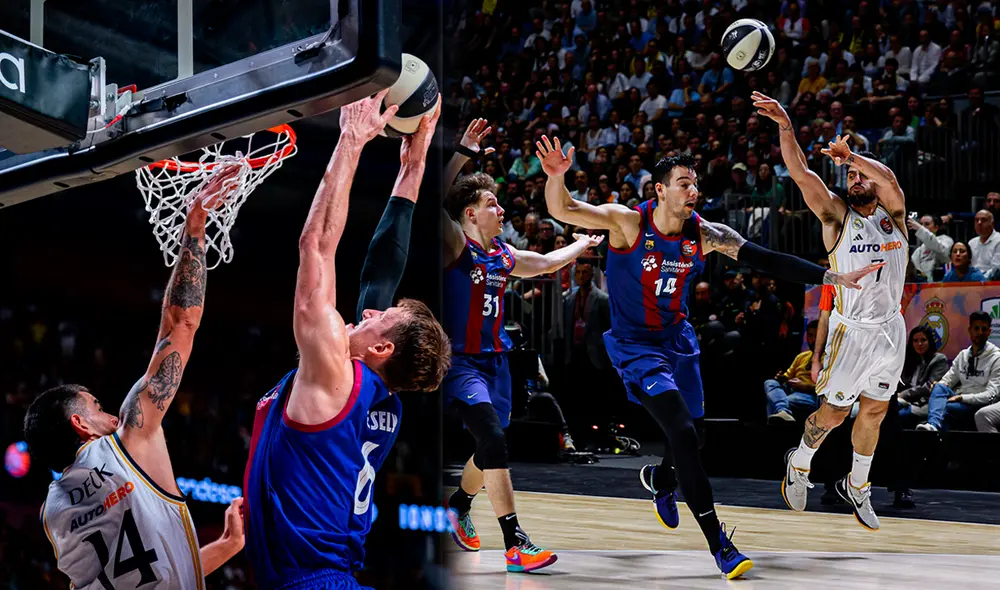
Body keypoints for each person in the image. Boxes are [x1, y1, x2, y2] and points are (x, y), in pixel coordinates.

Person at [534, 135, 879, 579]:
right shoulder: (627, 224)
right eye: (682, 183)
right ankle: (719, 543)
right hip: (637, 347)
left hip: (679, 343)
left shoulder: (707, 233)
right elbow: (564, 210)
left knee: (693, 438)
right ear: (660, 190)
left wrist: (830, 274)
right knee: (678, 430)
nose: (692, 190)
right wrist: (556, 178)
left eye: (694, 183)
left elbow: (766, 259)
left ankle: (661, 481)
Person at [242, 92, 450, 590]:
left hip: (316, 580)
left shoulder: (338, 372)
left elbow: (316, 245)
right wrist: (413, 164)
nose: (372, 309)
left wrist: (352, 138)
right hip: (327, 574)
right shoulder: (377, 392)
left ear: (381, 350)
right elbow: (382, 270)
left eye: (382, 318)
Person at [24, 168, 247, 589]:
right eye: (97, 407)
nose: (110, 414)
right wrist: (195, 224)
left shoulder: (54, 514)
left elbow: (150, 573)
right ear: (79, 424)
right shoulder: (128, 439)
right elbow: (180, 323)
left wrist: (227, 547)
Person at [442, 120, 603, 573]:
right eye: (491, 203)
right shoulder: (454, 243)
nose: (501, 209)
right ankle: (515, 542)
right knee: (492, 437)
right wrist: (463, 153)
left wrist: (581, 244)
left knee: (492, 442)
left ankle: (457, 505)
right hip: (461, 363)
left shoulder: (503, 256)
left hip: (497, 363)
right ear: (470, 215)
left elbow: (547, 263)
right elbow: (430, 198)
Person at [753, 90, 908, 532]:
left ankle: (857, 485)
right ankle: (799, 463)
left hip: (890, 330)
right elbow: (801, 173)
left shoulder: (893, 214)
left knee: (876, 411)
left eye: (863, 175)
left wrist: (853, 156)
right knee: (836, 414)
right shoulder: (837, 218)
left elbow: (891, 181)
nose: (857, 179)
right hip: (851, 330)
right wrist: (785, 123)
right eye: (852, 176)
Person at [913, 312, 1000, 432]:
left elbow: (992, 395)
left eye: (984, 329)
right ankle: (932, 426)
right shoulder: (963, 355)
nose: (979, 332)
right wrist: (940, 385)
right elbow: (948, 379)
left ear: (989, 332)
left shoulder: (996, 357)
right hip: (960, 399)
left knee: (946, 408)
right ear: (969, 330)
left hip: (980, 404)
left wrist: (963, 398)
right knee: (939, 386)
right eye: (976, 328)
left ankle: (935, 435)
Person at [765, 320, 820, 423]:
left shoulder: (830, 360)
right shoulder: (801, 356)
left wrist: (804, 386)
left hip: (813, 396)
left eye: (817, 336)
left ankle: (782, 411)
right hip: (794, 390)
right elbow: (788, 376)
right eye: (810, 336)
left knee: (779, 401)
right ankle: (783, 411)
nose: (813, 340)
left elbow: (829, 388)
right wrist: (781, 378)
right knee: (770, 383)